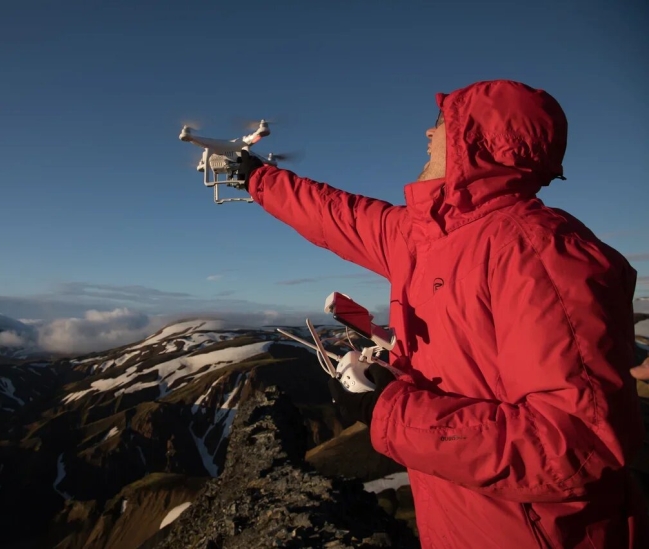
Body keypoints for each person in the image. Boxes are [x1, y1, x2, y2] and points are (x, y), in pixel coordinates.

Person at [235, 79, 648, 548]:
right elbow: (337, 214)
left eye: (440, 124)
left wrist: (385, 410)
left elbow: (572, 445)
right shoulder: (425, 236)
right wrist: (256, 178)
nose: (428, 136)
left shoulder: (543, 254)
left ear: (476, 139)